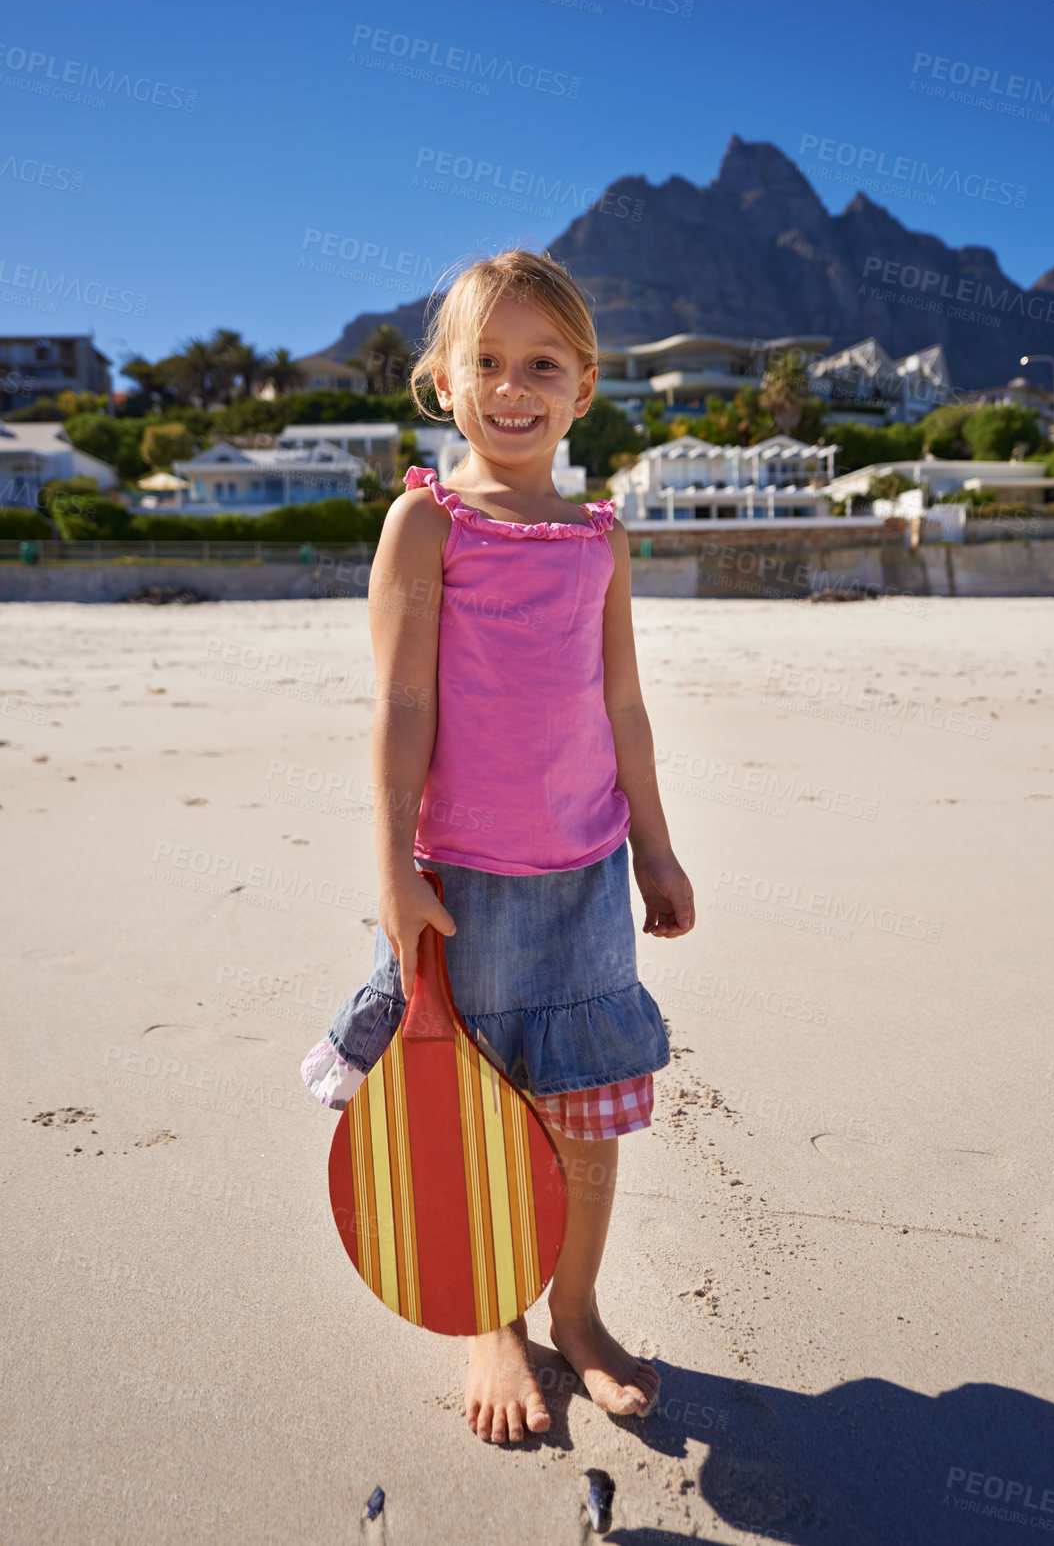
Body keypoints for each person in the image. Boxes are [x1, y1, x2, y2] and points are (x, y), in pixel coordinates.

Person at [301, 247, 694, 1444]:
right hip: (461, 887)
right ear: (439, 379)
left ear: (586, 388)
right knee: (467, 1112)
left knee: (579, 1117)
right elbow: (401, 707)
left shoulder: (599, 537)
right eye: (486, 362)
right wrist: (392, 878)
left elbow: (621, 705)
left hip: (583, 877)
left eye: (542, 365)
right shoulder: (430, 522)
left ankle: (575, 1311)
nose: (512, 388)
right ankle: (491, 1319)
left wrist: (657, 851)